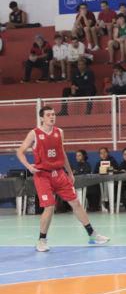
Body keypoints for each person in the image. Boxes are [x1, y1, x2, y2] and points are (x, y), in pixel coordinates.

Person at [15, 106, 110, 252]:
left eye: (53, 114)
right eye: (48, 115)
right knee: (50, 206)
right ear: (42, 118)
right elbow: (20, 151)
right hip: (42, 175)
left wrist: (70, 173)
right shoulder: (34, 133)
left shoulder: (59, 132)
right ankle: (41, 240)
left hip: (59, 174)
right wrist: (28, 166)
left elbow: (62, 153)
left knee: (76, 203)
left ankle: (92, 235)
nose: (52, 117)